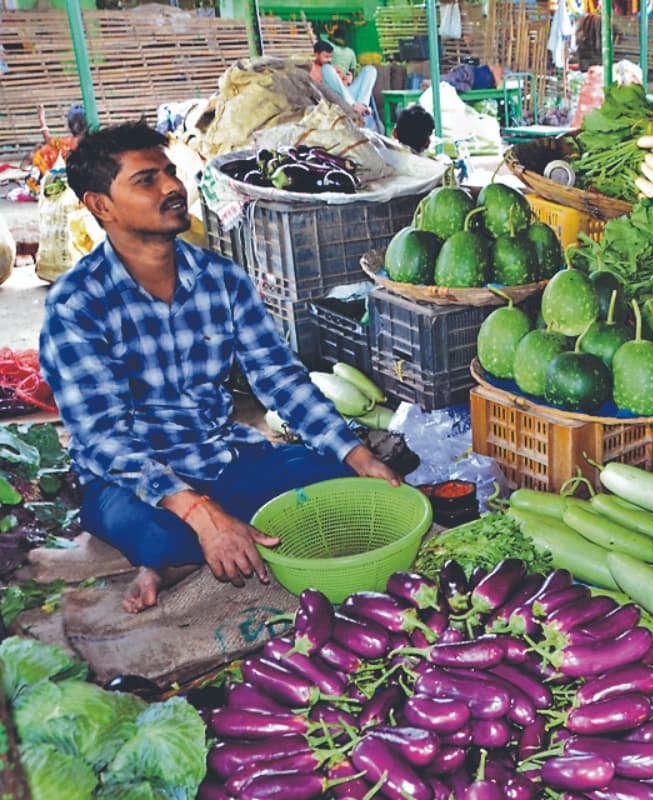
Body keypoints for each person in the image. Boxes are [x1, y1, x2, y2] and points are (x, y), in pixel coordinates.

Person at [38, 123, 399, 614]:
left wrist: (358, 456)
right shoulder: (76, 303)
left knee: (346, 491)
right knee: (159, 535)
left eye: (170, 173)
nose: (172, 188)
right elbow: (101, 437)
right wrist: (199, 512)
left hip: (222, 456)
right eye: (146, 180)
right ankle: (177, 551)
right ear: (100, 205)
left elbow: (279, 378)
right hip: (131, 479)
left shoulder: (221, 279)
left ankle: (194, 549)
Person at [310, 39, 379, 132]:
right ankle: (354, 106)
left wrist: (348, 79)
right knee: (326, 68)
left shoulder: (334, 67)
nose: (329, 60)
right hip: (336, 99)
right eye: (326, 57)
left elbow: (344, 84)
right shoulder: (312, 70)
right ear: (316, 55)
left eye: (330, 57)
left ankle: (362, 106)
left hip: (348, 95)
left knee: (370, 69)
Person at [28, 103, 89, 194]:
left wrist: (41, 118)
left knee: (42, 153)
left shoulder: (65, 143)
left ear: (69, 125)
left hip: (72, 181)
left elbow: (47, 138)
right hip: (90, 181)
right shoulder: (94, 141)